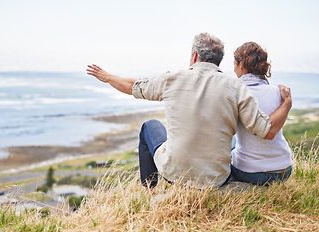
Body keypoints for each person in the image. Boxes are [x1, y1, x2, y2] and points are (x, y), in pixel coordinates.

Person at [86, 33, 292, 189]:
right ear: (219, 60)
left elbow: (133, 87)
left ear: (194, 55)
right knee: (230, 139)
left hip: (175, 173)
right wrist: (285, 103)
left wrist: (108, 77)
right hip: (217, 178)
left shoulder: (172, 78)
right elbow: (265, 129)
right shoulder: (236, 86)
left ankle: (149, 189)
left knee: (150, 126)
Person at [231, 42, 292, 185]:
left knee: (232, 142)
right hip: (283, 171)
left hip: (249, 174)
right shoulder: (280, 92)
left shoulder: (235, 93)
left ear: (241, 65)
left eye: (234, 63)